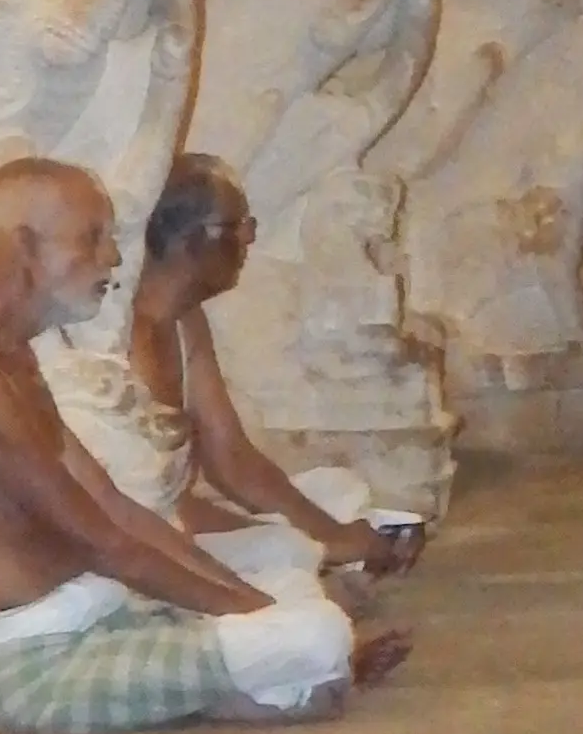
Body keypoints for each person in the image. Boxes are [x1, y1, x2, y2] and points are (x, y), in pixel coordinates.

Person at [0, 160, 407, 734]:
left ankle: (277, 682)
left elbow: (115, 507)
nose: (112, 258)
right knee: (317, 632)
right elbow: (108, 545)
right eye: (91, 238)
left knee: (292, 595)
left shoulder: (12, 358)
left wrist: (258, 606)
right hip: (32, 666)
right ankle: (285, 677)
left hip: (100, 616)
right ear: (24, 247)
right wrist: (272, 619)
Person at [49, 152, 430, 596]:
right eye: (240, 226)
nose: (249, 239)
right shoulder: (121, 340)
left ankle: (316, 575)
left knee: (337, 489)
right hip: (146, 541)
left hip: (177, 517)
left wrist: (333, 534)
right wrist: (314, 541)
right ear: (195, 240)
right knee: (291, 555)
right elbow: (147, 510)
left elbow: (232, 459)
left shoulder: (184, 319)